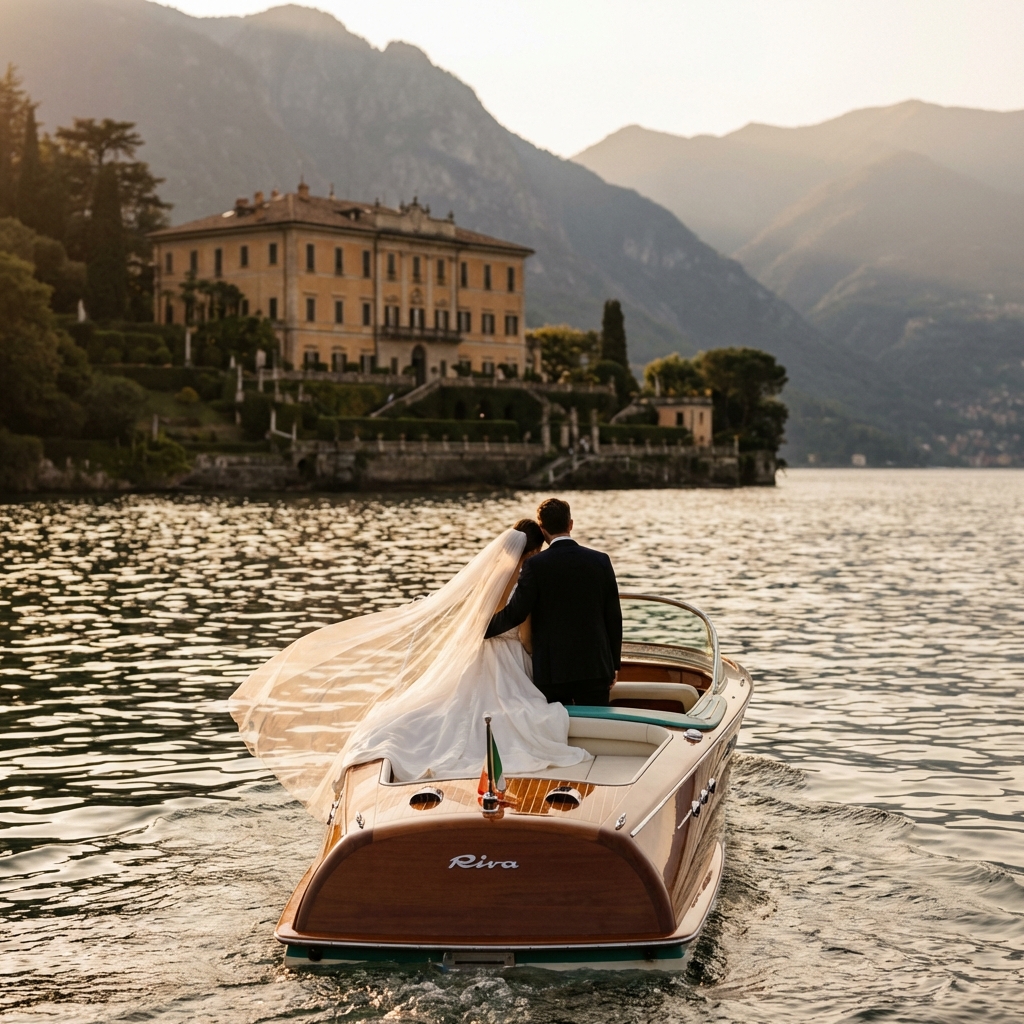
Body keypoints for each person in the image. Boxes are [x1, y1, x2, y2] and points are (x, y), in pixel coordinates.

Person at [229, 518, 590, 816]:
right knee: (524, 714)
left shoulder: (486, 585)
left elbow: (474, 625)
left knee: (453, 710)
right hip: (509, 661)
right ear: (530, 553)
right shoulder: (523, 587)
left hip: (477, 659)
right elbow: (525, 637)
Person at [485, 498, 622, 707]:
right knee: (598, 728)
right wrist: (614, 664)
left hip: (553, 671)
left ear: (542, 528)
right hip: (595, 668)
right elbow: (613, 616)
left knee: (559, 728)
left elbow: (515, 614)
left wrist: (480, 630)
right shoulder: (601, 560)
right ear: (571, 524)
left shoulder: (535, 565)